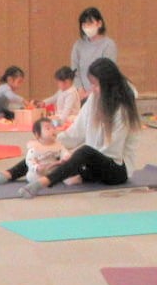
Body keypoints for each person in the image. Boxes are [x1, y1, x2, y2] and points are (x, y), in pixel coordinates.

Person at [36, 57, 139, 194]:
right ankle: (10, 173)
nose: (92, 89)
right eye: (92, 84)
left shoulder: (122, 109)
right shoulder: (93, 99)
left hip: (116, 168)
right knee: (46, 148)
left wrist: (74, 159)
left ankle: (45, 182)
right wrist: (51, 143)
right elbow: (76, 132)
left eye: (96, 85)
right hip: (91, 161)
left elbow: (111, 151)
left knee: (84, 152)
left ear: (108, 84)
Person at [0, 115, 67, 188]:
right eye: (48, 128)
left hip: (59, 162)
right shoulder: (40, 146)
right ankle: (6, 175)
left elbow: (69, 141)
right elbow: (71, 135)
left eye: (53, 128)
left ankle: (9, 176)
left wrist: (54, 144)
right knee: (34, 159)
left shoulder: (59, 144)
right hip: (43, 166)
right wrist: (42, 143)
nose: (53, 130)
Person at [70, 7, 118, 102]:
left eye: (90, 23)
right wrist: (80, 89)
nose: (86, 27)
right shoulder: (78, 45)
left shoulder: (108, 45)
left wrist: (91, 92)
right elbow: (74, 70)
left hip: (102, 95)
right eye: (84, 24)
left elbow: (107, 73)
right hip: (81, 95)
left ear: (99, 23)